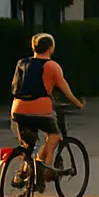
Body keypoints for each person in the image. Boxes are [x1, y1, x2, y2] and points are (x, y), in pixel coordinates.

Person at [10, 33, 84, 181]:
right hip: (40, 110)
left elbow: (15, 86)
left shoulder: (21, 63)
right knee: (54, 135)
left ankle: (23, 172)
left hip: (17, 110)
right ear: (50, 48)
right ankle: (47, 167)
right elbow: (65, 89)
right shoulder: (52, 66)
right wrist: (78, 103)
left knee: (28, 144)